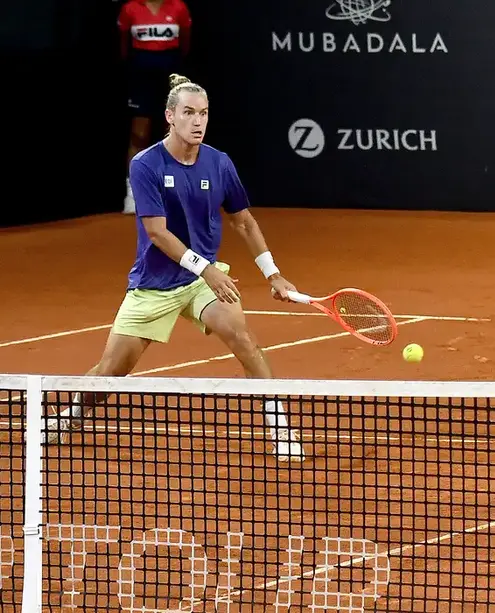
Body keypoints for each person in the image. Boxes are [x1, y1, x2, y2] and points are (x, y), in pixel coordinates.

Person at [44, 74, 306, 462]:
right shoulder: (146, 164)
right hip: (155, 284)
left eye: (203, 113)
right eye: (188, 113)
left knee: (244, 339)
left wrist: (273, 274)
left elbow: (244, 222)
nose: (197, 121)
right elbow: (157, 233)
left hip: (202, 281)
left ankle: (280, 428)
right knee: (110, 373)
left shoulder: (219, 163)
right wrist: (208, 270)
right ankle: (74, 414)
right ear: (170, 116)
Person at [118, 0, 192, 214]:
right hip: (141, 75)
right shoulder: (130, 8)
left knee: (172, 132)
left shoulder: (178, 7)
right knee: (138, 133)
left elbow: (185, 45)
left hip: (170, 72)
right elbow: (124, 47)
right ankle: (133, 194)